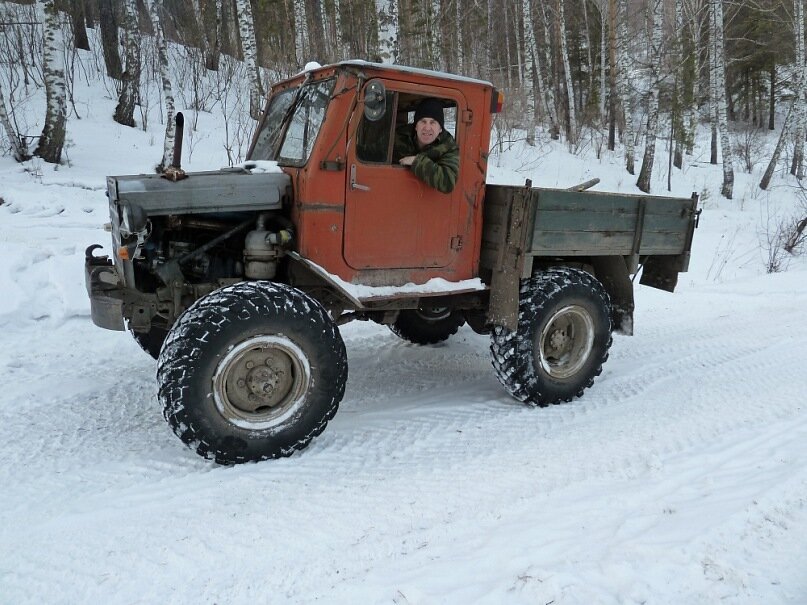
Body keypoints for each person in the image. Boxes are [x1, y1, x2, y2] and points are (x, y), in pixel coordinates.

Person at [393, 98, 459, 194]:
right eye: (423, 121)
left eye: (433, 122)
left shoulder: (448, 146)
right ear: (416, 126)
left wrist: (417, 161)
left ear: (440, 128)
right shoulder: (398, 136)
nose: (427, 128)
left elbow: (447, 182)